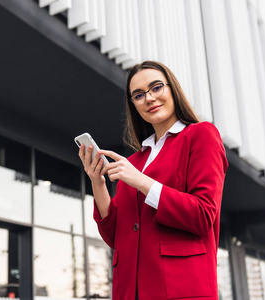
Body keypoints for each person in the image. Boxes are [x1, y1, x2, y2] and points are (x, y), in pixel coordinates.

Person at [78, 61, 228, 300]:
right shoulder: (135, 161)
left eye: (156, 87)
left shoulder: (201, 135)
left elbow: (204, 214)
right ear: (134, 105)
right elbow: (115, 237)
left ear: (172, 89)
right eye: (138, 95)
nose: (148, 98)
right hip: (129, 291)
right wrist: (97, 182)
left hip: (181, 289)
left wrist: (142, 182)